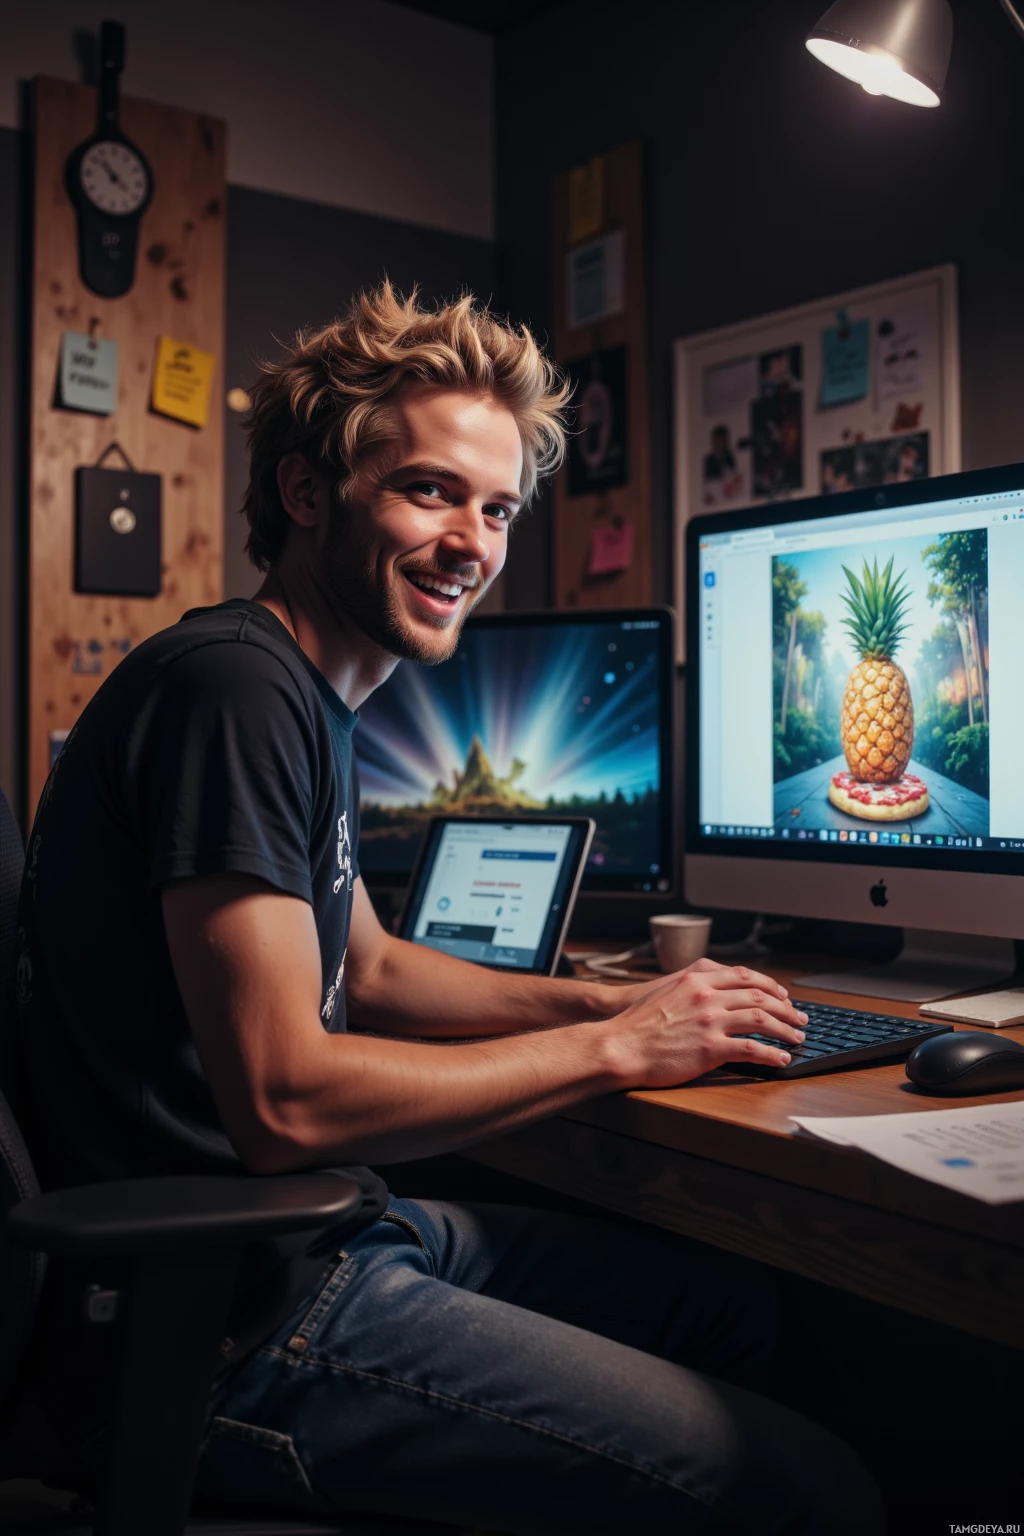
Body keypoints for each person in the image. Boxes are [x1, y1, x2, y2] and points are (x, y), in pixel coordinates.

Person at [18, 284, 884, 1533]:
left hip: (314, 1242)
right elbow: (285, 1099)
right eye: (429, 490)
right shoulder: (235, 694)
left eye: (496, 508)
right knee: (812, 1494)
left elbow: (367, 968)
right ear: (311, 494)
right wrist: (612, 1048)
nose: (470, 543)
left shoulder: (309, 695)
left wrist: (615, 993)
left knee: (737, 1311)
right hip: (219, 1326)